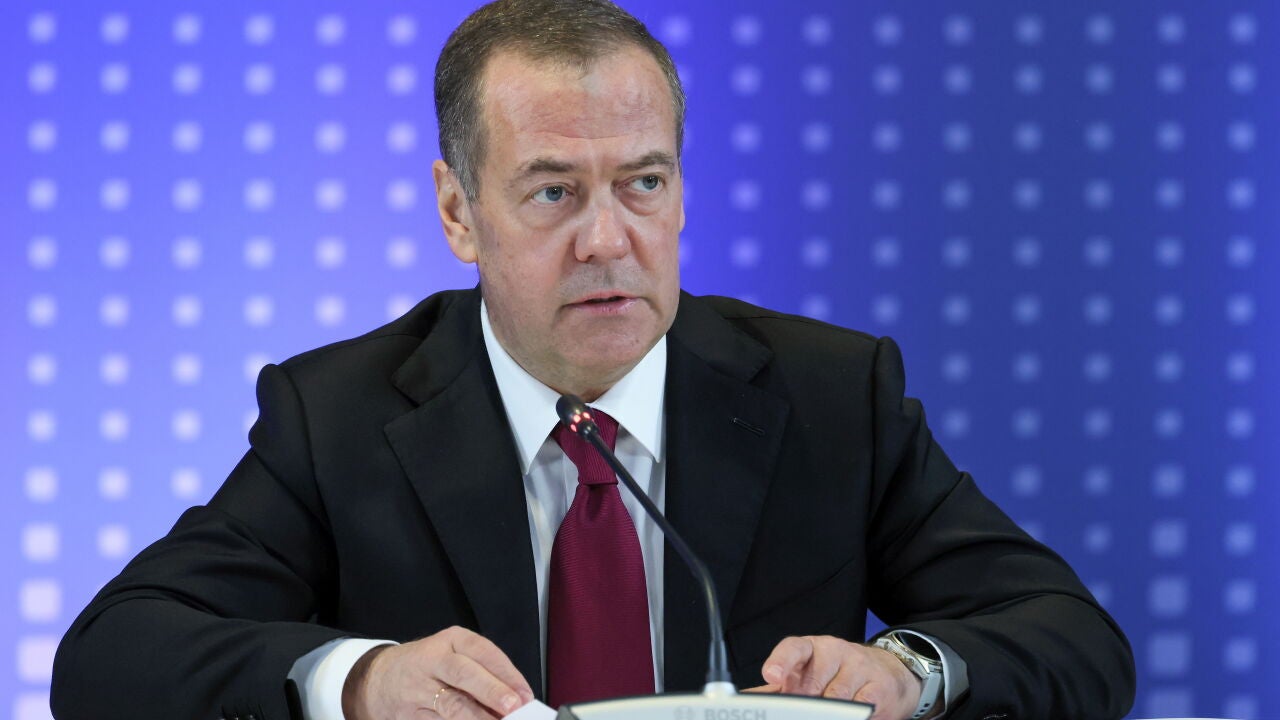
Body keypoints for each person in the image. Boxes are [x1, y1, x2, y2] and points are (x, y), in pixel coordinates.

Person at [51, 1, 1136, 719]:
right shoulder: (338, 416)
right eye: (554, 192)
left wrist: (907, 673)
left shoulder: (829, 395)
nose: (608, 239)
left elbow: (1073, 638)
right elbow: (111, 655)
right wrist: (361, 681)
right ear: (457, 211)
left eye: (643, 183)